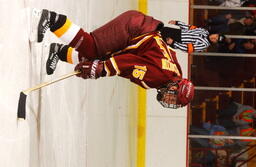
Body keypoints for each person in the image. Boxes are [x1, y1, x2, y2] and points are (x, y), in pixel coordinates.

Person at [31, 8, 195, 109]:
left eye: (173, 102)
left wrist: (103, 65)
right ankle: (52, 19)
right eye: (173, 97)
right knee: (93, 48)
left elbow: (134, 61)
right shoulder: (160, 77)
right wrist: (102, 69)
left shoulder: (175, 73)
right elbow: (130, 63)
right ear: (174, 86)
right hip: (133, 29)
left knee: (101, 56)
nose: (169, 100)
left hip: (139, 30)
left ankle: (59, 52)